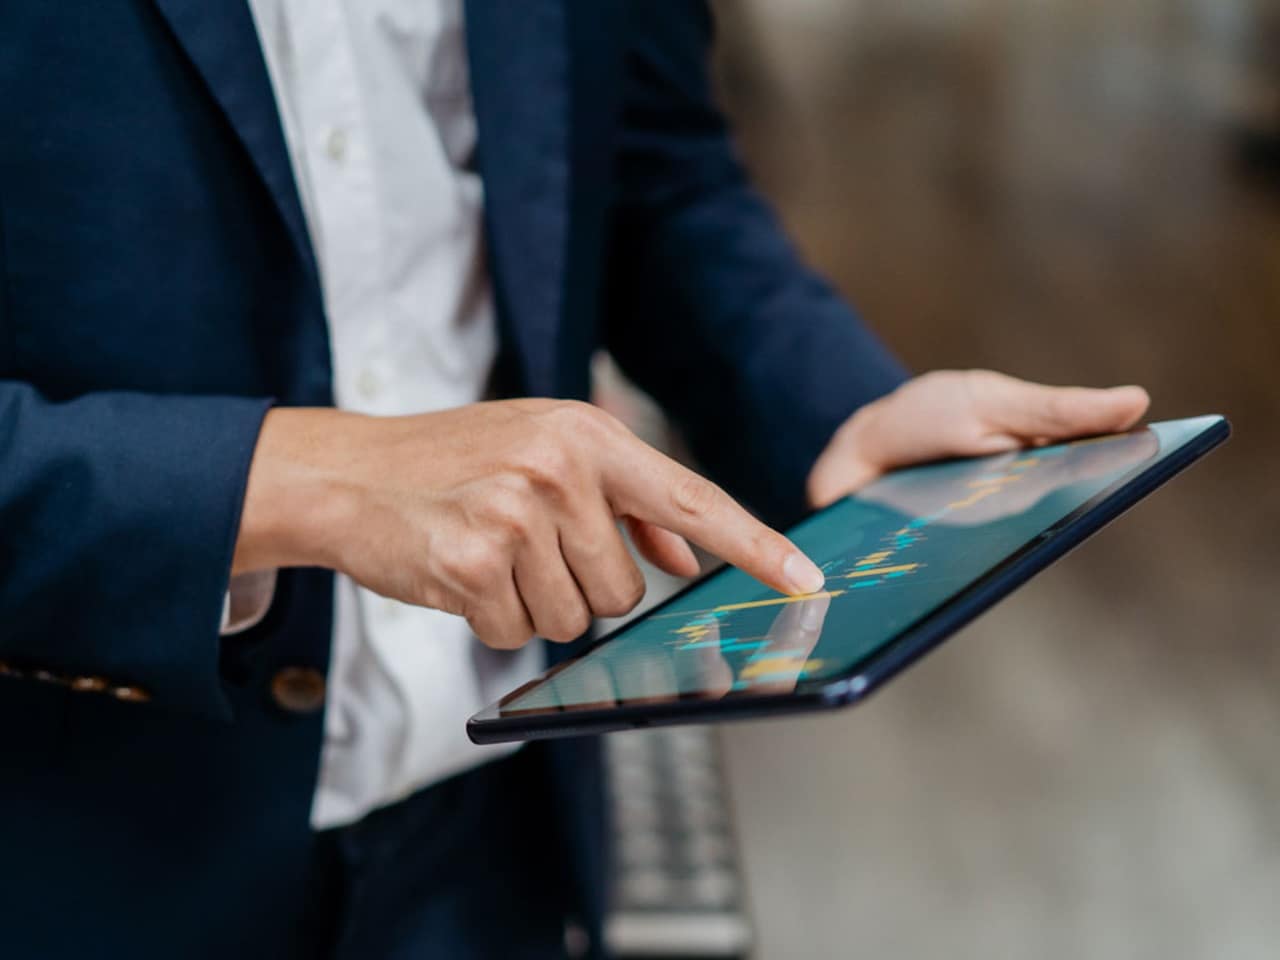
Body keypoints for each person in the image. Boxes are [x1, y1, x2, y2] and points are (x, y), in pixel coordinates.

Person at [0, 1, 1149, 957]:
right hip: (75, 846)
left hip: (489, 826)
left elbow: (649, 163)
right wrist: (294, 479)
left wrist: (827, 404)